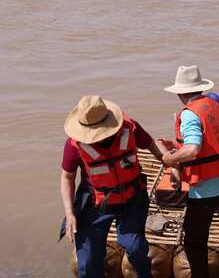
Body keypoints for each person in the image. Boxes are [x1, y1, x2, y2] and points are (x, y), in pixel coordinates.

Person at [59, 95, 164, 278]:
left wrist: (169, 162)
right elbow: (67, 177)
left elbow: (151, 143)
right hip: (95, 202)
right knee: (88, 260)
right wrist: (69, 213)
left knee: (135, 247)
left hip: (131, 197)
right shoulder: (74, 145)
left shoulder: (129, 128)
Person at [162, 65, 219, 278]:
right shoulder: (217, 106)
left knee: (194, 241)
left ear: (180, 93)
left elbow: (193, 149)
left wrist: (169, 158)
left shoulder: (189, 114)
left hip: (208, 189)